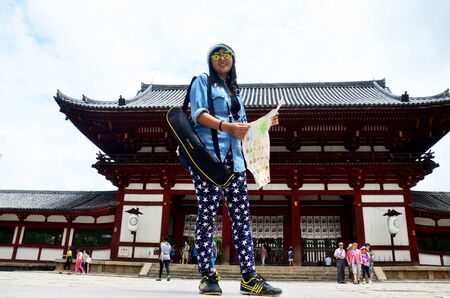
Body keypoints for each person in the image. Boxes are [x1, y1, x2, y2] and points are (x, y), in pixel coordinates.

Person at [189, 43, 281, 296]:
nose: (222, 59)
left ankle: (249, 277)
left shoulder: (235, 94)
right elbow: (198, 115)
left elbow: (242, 130)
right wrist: (226, 126)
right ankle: (207, 275)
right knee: (207, 216)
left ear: (233, 60)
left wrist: (263, 123)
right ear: (210, 60)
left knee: (241, 220)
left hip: (236, 165)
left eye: (226, 55)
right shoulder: (202, 81)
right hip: (208, 161)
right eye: (216, 55)